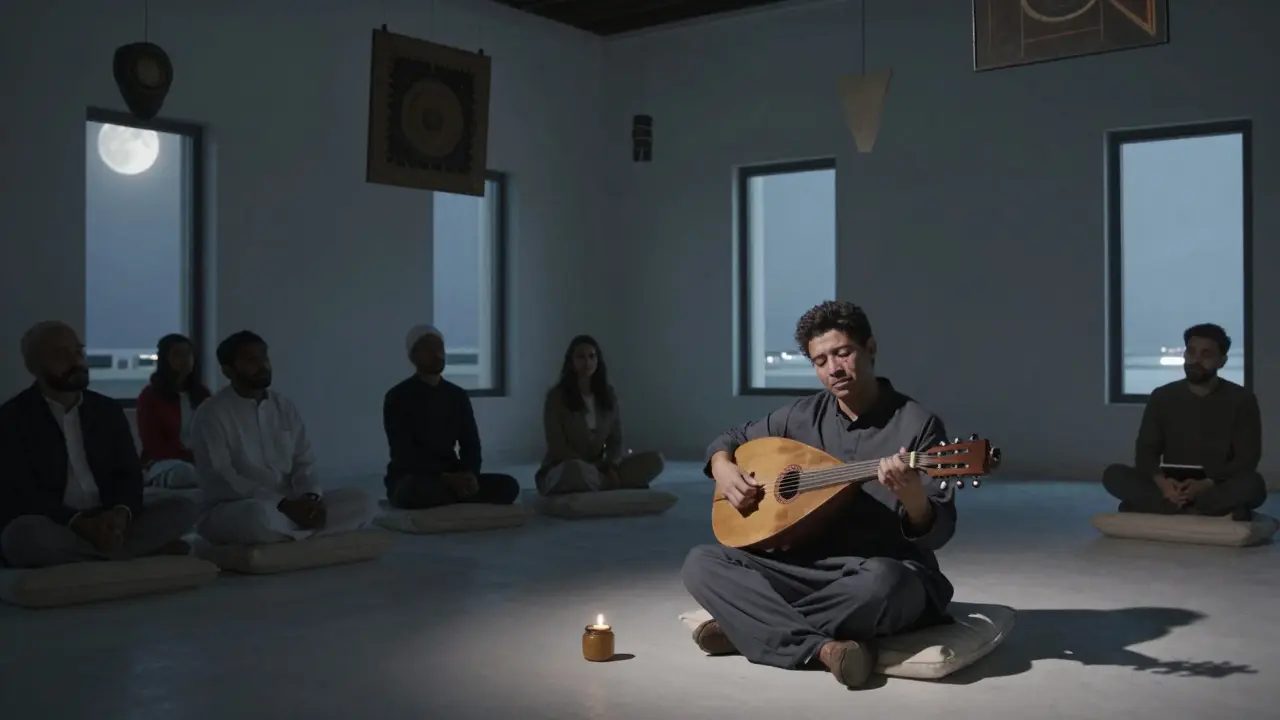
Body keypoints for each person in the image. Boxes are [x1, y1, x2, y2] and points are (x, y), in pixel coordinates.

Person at [680, 301, 957, 689]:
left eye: (843, 353)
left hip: (877, 570)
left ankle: (751, 629)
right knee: (701, 563)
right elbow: (731, 438)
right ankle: (824, 648)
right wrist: (722, 466)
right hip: (805, 566)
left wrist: (912, 498)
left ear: (870, 348)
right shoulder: (801, 416)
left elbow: (939, 532)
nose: (833, 369)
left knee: (887, 585)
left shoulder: (917, 424)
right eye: (820, 360)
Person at [0, 321, 197, 568]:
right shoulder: (12, 418)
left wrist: (121, 513)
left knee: (184, 508)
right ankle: (134, 550)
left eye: (78, 351)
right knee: (21, 536)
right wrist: (80, 523)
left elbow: (129, 474)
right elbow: (20, 493)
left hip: (109, 517)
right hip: (59, 522)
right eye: (61, 354)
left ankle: (101, 550)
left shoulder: (107, 410)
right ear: (34, 366)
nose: (75, 361)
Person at [190, 330, 376, 545]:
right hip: (237, 506)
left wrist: (310, 497)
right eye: (251, 360)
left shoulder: (284, 407)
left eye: (265, 358)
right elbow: (221, 478)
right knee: (255, 517)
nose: (263, 366)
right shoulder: (211, 413)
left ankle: (292, 533)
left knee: (363, 502)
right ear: (228, 371)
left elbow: (304, 462)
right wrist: (282, 504)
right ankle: (307, 533)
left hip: (290, 505)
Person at [1102, 323, 1266, 520]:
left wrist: (1206, 484)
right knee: (1113, 475)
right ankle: (1201, 508)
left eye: (1206, 354)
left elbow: (1247, 458)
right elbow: (1146, 450)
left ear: (1222, 361)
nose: (1196, 360)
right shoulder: (1162, 396)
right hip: (1170, 484)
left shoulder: (1242, 400)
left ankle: (1164, 506)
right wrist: (1163, 483)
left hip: (1215, 485)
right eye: (1191, 352)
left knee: (1254, 485)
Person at [383, 325, 520, 509]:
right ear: (413, 356)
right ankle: (457, 494)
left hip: (453, 473)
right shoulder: (398, 397)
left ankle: (458, 493)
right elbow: (403, 453)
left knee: (509, 486)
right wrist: (446, 478)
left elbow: (471, 444)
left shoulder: (457, 395)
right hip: (414, 477)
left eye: (440, 348)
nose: (437, 354)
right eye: (429, 349)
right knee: (413, 492)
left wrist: (470, 474)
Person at [535, 335, 664, 495]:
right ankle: (609, 484)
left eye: (592, 356)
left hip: (602, 468)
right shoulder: (556, 397)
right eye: (581, 357)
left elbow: (616, 441)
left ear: (598, 360)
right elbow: (557, 447)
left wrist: (610, 466)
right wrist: (594, 468)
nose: (587, 362)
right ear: (571, 362)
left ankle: (602, 483)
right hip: (566, 467)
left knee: (656, 460)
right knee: (575, 470)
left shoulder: (608, 395)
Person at [136, 333, 211, 489]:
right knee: (184, 473)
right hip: (164, 461)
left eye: (188, 354)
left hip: (200, 459)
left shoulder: (202, 394)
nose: (185, 360)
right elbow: (153, 444)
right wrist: (189, 458)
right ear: (165, 359)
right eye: (177, 355)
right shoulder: (150, 395)